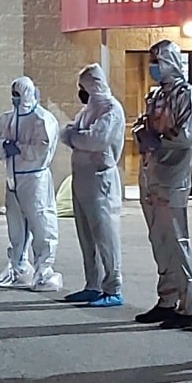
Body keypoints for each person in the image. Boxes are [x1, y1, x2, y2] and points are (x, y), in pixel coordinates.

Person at [131, 40, 192, 329]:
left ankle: (187, 306)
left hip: (173, 177)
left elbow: (186, 135)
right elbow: (143, 123)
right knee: (159, 241)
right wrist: (141, 133)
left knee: (176, 240)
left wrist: (158, 141)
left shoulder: (189, 95)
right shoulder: (156, 95)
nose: (153, 67)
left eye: (157, 61)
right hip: (151, 174)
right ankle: (166, 299)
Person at [61, 62, 126, 307]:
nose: (81, 92)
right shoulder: (87, 111)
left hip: (100, 181)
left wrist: (75, 137)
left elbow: (95, 140)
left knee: (105, 235)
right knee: (87, 236)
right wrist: (77, 136)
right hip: (82, 178)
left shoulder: (111, 109)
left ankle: (113, 287)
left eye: (83, 86)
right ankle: (93, 284)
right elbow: (68, 132)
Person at [0, 76, 62, 292]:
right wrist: (4, 145)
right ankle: (19, 267)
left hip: (34, 180)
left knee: (41, 223)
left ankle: (44, 271)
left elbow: (42, 148)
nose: (15, 98)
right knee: (16, 225)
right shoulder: (8, 118)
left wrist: (19, 148)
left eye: (18, 94)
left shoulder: (42, 119)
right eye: (13, 94)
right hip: (13, 178)